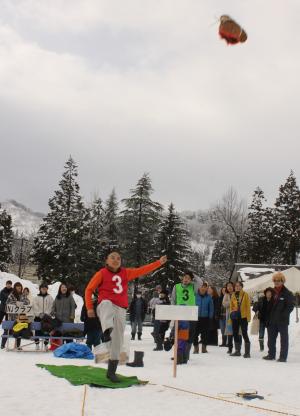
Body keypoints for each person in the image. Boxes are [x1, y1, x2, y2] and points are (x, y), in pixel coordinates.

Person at [85, 251, 167, 382]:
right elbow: (89, 289)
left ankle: (111, 372)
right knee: (106, 303)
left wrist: (158, 263)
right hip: (106, 306)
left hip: (121, 309)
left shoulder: (125, 272)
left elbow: (142, 270)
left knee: (118, 341)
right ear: (106, 261)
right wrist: (89, 308)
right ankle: (106, 331)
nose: (116, 260)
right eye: (112, 258)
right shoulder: (101, 273)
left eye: (118, 258)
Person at [171, 271, 203, 362]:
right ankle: (179, 354)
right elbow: (173, 299)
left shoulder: (193, 286)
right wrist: (173, 310)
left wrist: (193, 274)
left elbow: (200, 282)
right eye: (185, 277)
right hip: (180, 312)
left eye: (188, 278)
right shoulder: (176, 286)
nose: (186, 279)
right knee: (179, 334)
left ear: (191, 280)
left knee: (189, 335)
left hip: (191, 313)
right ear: (182, 278)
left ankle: (186, 355)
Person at [263, 272, 294, 362]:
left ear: (282, 281)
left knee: (284, 340)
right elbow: (267, 305)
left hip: (282, 321)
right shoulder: (271, 292)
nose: (276, 282)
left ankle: (283, 357)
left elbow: (290, 306)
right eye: (275, 280)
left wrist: (283, 315)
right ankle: (271, 355)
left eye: (279, 280)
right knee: (270, 339)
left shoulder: (287, 293)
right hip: (271, 321)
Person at [1, 282, 30, 350]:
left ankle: (18, 345)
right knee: (7, 329)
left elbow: (28, 302)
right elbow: (7, 303)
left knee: (19, 330)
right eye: (17, 286)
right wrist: (16, 303)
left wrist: (22, 303)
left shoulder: (23, 295)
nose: (19, 288)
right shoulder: (11, 295)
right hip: (11, 316)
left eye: (20, 286)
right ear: (15, 287)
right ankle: (2, 344)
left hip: (20, 316)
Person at [230, 281, 251, 358]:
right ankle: (237, 351)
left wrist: (248, 317)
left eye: (239, 286)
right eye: (236, 286)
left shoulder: (245, 294)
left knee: (244, 333)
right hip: (235, 316)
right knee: (235, 333)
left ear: (242, 287)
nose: (237, 287)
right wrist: (231, 314)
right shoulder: (233, 295)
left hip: (243, 316)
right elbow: (231, 306)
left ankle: (247, 352)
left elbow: (248, 307)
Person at [32, 283, 54, 350]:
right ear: (40, 289)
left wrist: (46, 314)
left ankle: (46, 344)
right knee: (37, 331)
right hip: (38, 317)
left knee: (47, 331)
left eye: (45, 288)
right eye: (42, 288)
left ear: (47, 289)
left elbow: (51, 306)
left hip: (47, 318)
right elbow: (34, 307)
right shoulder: (36, 298)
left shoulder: (50, 297)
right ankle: (37, 344)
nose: (44, 289)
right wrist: (39, 314)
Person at [193, 283, 214, 353]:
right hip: (195, 318)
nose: (203, 288)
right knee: (195, 333)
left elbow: (211, 308)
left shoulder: (209, 297)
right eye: (202, 287)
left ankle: (204, 347)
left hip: (205, 318)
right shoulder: (195, 296)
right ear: (199, 288)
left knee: (205, 334)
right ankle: (196, 347)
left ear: (206, 288)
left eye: (205, 287)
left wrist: (210, 318)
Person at [222, 282, 235, 354]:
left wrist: (229, 303)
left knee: (237, 332)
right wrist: (231, 303)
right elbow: (224, 304)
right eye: (228, 286)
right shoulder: (226, 295)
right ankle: (230, 348)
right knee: (229, 332)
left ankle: (237, 348)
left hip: (236, 316)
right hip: (229, 316)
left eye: (230, 286)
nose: (229, 287)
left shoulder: (236, 294)